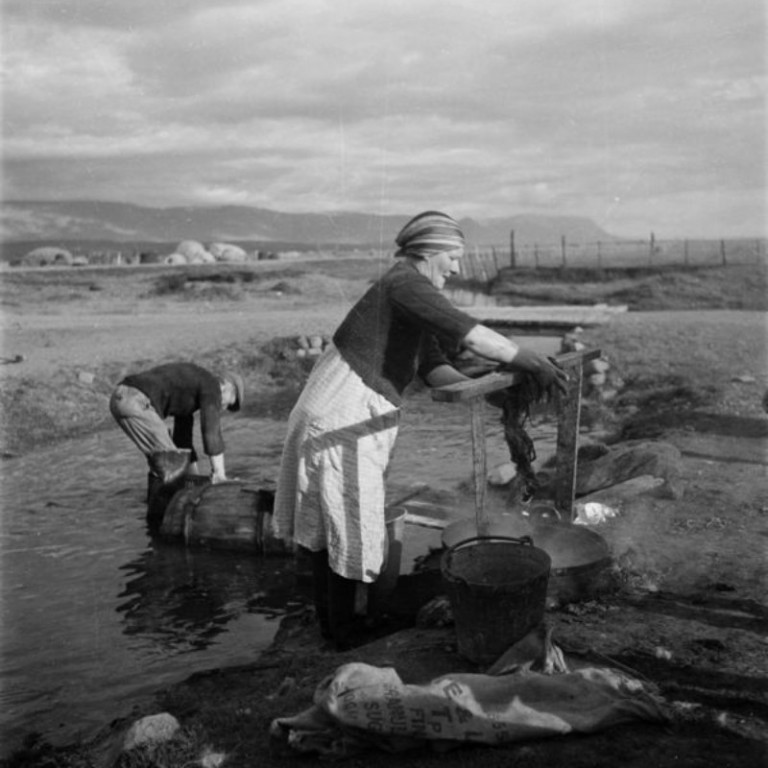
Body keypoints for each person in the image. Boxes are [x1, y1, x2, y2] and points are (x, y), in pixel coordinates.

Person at [271, 210, 567, 649]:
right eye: (453, 256)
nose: (457, 267)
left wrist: (492, 393)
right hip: (342, 417)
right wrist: (530, 360)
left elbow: (434, 368)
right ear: (428, 252)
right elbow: (469, 334)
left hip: (341, 413)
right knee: (346, 523)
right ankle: (345, 634)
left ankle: (339, 626)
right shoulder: (405, 284)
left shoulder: (407, 297)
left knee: (336, 525)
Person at [110, 362, 245, 485]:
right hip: (135, 399)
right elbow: (211, 431)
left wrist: (194, 480)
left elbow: (183, 443)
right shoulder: (212, 385)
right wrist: (219, 475)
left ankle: (156, 508)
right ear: (227, 386)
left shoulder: (191, 390)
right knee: (170, 462)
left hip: (120, 398)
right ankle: (161, 509)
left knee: (163, 462)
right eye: (229, 403)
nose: (223, 407)